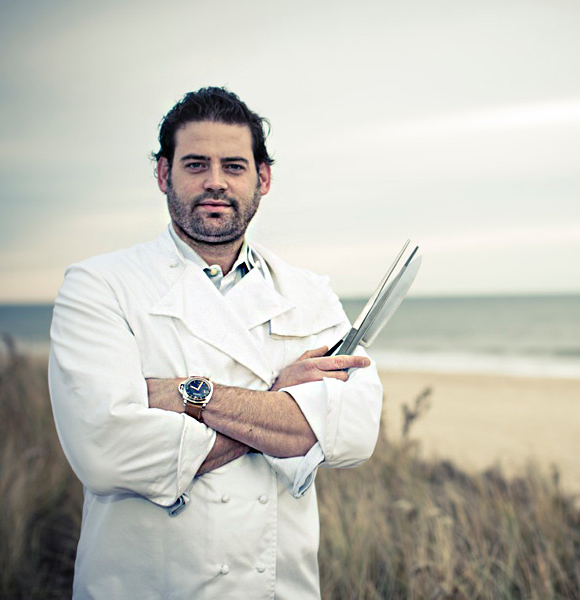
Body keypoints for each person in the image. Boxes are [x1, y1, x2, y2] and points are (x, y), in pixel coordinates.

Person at [48, 87, 383, 599]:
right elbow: (105, 451)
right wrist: (281, 414)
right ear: (164, 174)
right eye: (195, 164)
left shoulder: (309, 293)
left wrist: (185, 394)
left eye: (234, 166)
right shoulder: (100, 286)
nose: (215, 183)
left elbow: (353, 432)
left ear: (262, 178)